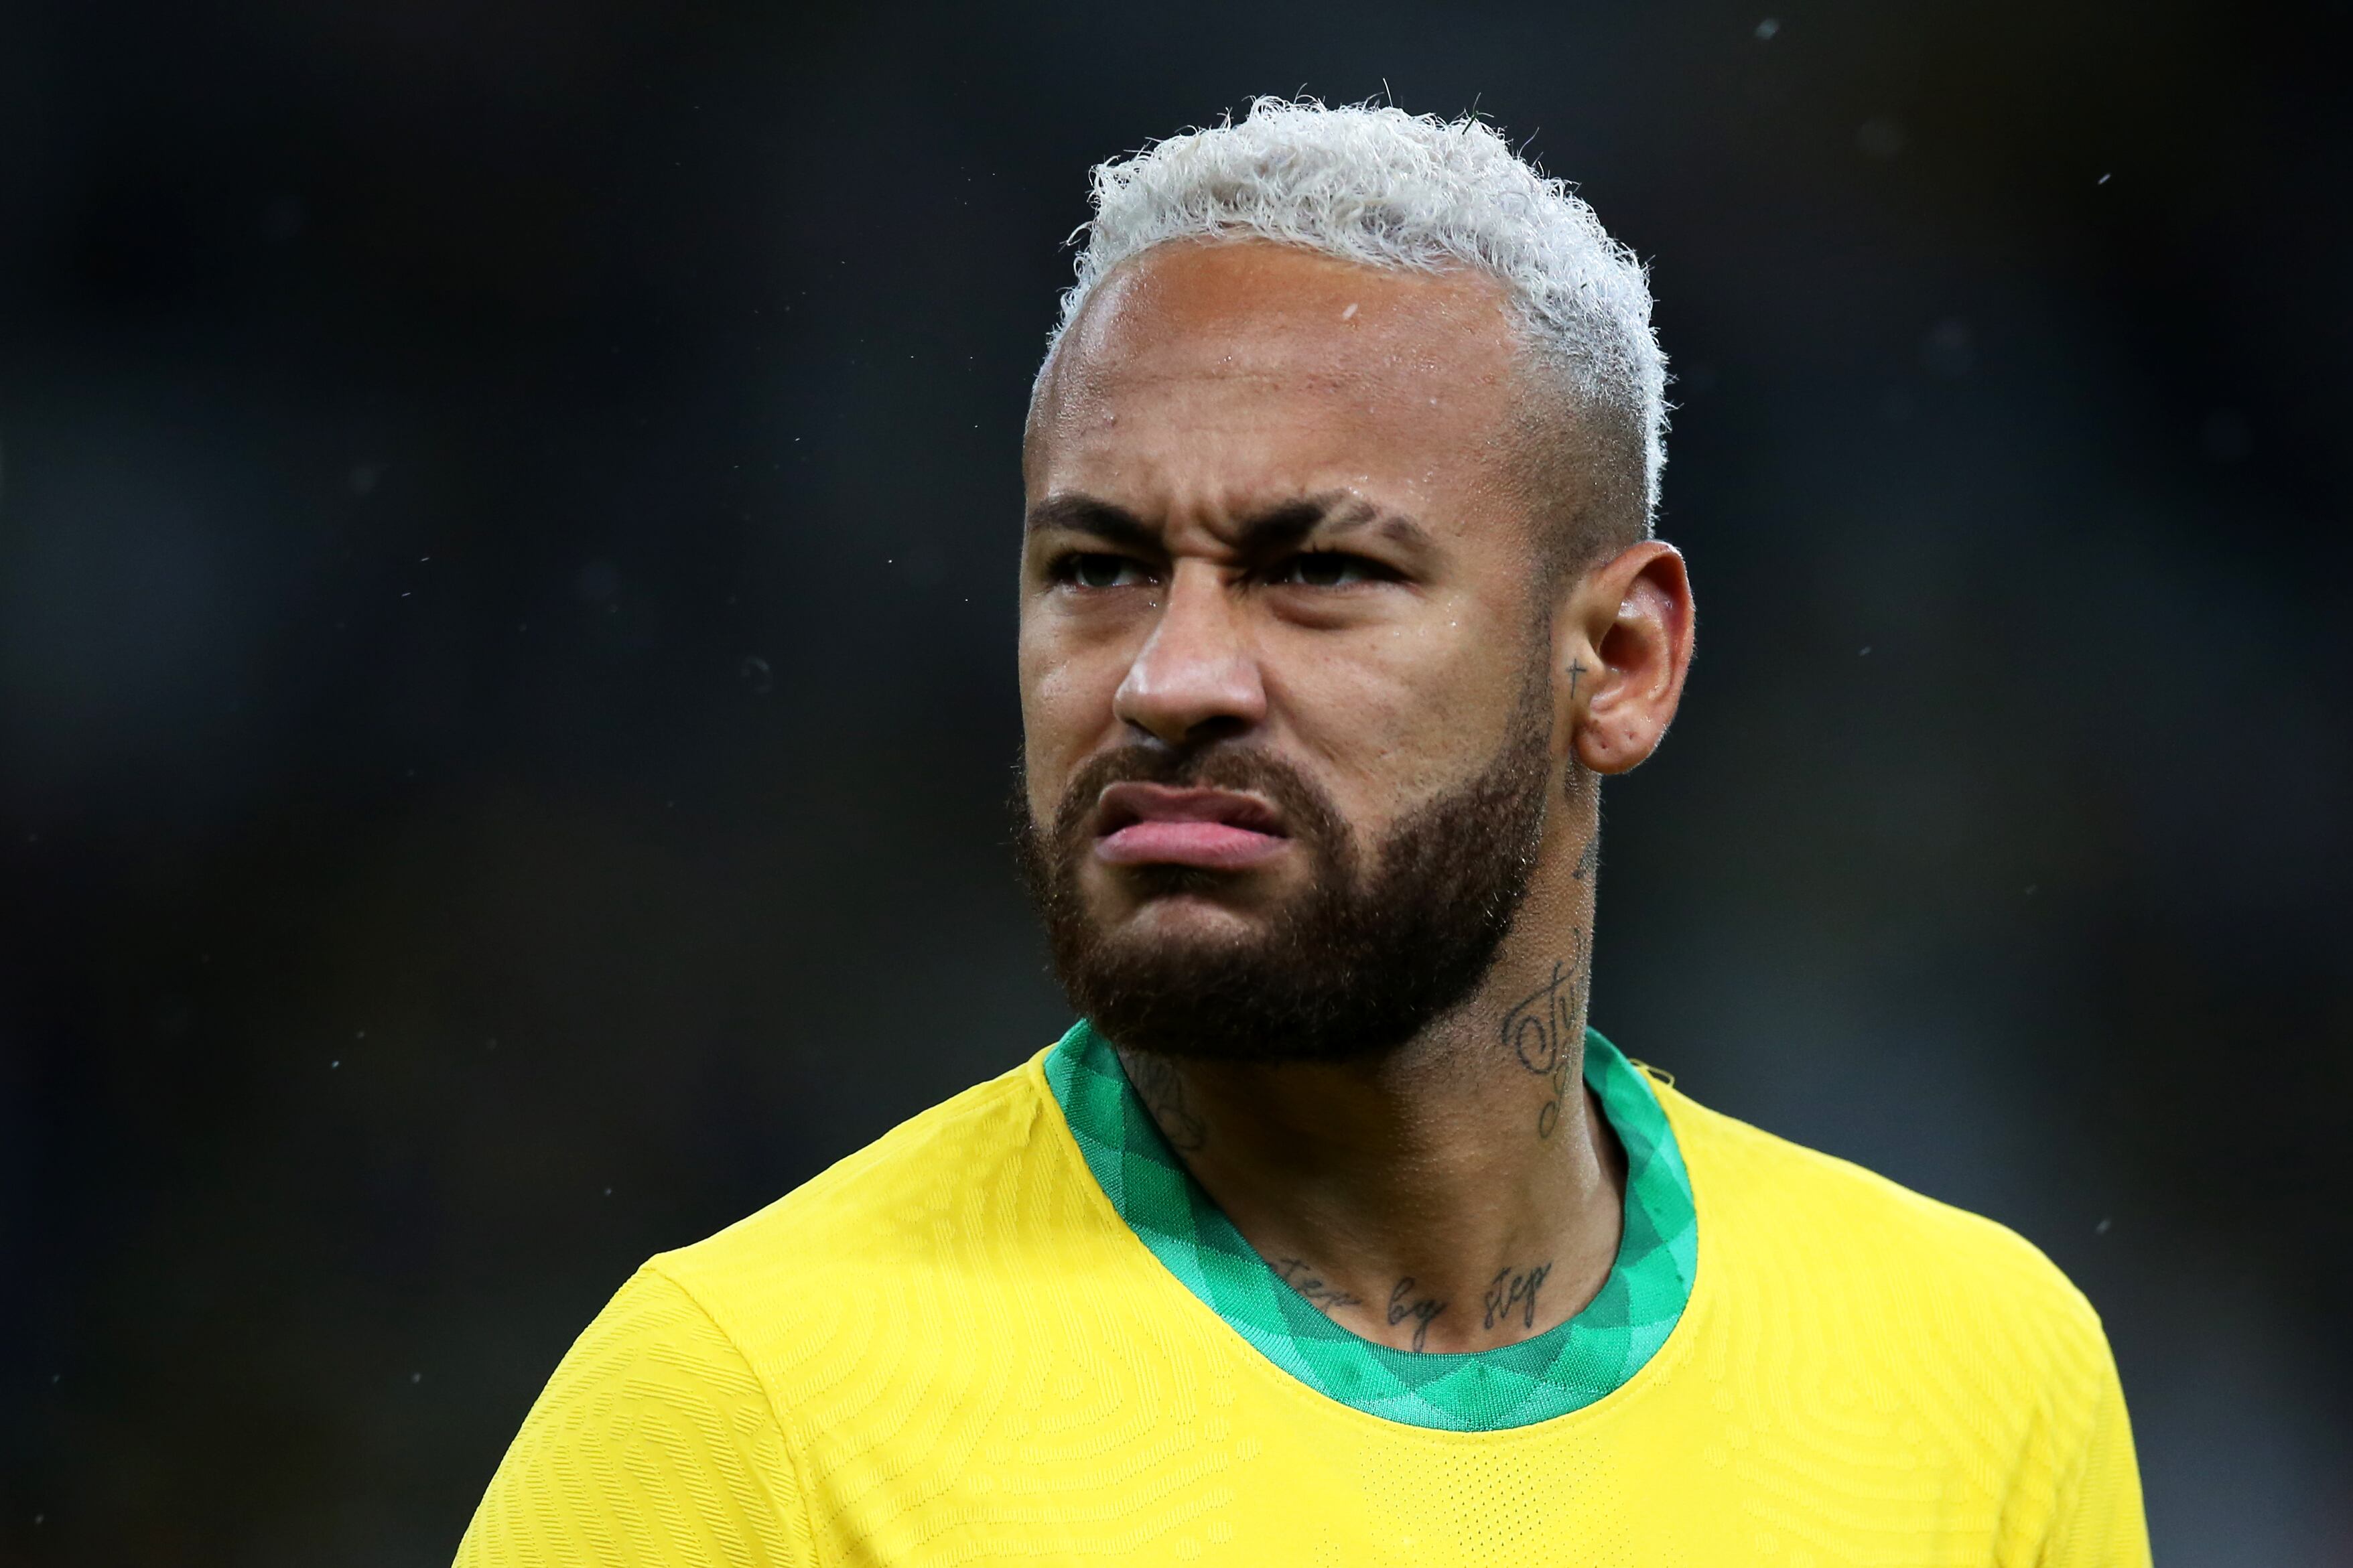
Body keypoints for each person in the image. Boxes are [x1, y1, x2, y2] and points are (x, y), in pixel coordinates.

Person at [456, 98, 2148, 1565]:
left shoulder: (1977, 1382)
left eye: (1319, 571)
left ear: (1618, 661)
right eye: (1095, 568)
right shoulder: (740, 1407)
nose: (1169, 678)